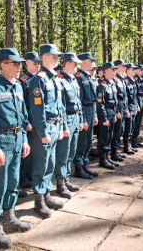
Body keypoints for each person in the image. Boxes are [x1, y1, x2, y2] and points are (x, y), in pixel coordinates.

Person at [0, 48, 31, 248]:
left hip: (17, 138)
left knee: (13, 182)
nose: (19, 66)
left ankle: (9, 217)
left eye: (20, 63)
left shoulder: (18, 86)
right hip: (2, 141)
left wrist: (25, 139)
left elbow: (23, 116)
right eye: (15, 63)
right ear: (3, 65)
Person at [28, 44, 65, 218]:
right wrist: (43, 133)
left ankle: (47, 194)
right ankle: (38, 200)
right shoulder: (39, 79)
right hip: (45, 127)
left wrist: (59, 127)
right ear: (44, 57)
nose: (57, 58)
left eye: (57, 56)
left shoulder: (55, 78)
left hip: (55, 125)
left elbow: (59, 106)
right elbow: (37, 109)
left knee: (51, 162)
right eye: (53, 56)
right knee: (41, 164)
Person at [55, 53, 83, 198]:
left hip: (75, 117)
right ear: (67, 63)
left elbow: (78, 101)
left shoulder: (74, 80)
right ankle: (60, 183)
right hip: (67, 119)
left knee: (71, 151)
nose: (77, 66)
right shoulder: (60, 81)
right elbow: (61, 107)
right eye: (75, 63)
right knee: (63, 153)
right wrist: (64, 126)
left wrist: (80, 119)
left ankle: (66, 179)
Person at [73, 52, 98, 179]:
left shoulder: (87, 76)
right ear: (84, 62)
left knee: (88, 141)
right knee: (82, 141)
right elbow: (80, 100)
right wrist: (82, 120)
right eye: (90, 61)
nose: (92, 63)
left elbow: (93, 98)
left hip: (90, 110)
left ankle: (85, 164)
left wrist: (94, 115)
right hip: (83, 111)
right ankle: (78, 167)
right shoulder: (79, 77)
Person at [18, 51, 41, 189]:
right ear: (27, 64)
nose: (37, 65)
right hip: (29, 120)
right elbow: (23, 104)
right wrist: (27, 122)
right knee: (28, 150)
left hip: (38, 120)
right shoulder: (23, 80)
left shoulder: (39, 78)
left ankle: (31, 172)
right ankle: (23, 175)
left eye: (38, 63)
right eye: (34, 63)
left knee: (36, 150)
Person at [96, 62, 118, 170]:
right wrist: (104, 118)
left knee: (110, 136)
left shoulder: (112, 83)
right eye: (112, 69)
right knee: (103, 137)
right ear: (105, 71)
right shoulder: (102, 85)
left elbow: (115, 100)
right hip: (106, 112)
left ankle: (107, 157)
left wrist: (114, 113)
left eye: (115, 69)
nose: (114, 71)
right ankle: (102, 160)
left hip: (112, 111)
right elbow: (100, 104)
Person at [111, 59, 128, 163]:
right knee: (116, 131)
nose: (124, 68)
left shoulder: (122, 79)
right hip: (118, 106)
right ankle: (113, 152)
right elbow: (114, 97)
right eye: (122, 66)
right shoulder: (115, 79)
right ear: (117, 67)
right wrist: (117, 110)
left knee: (120, 129)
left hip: (123, 105)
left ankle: (116, 150)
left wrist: (125, 109)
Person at [123, 63, 140, 154]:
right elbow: (125, 97)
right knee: (128, 128)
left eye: (134, 70)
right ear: (128, 70)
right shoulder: (125, 81)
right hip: (128, 107)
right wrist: (127, 110)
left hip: (133, 106)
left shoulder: (133, 81)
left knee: (132, 126)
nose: (134, 71)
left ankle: (129, 144)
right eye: (132, 69)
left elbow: (135, 95)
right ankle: (126, 146)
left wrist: (137, 106)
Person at [132, 64, 143, 148]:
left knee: (139, 121)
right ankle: (133, 140)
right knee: (136, 121)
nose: (142, 71)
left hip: (141, 99)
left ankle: (136, 139)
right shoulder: (135, 79)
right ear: (136, 70)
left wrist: (142, 103)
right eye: (141, 70)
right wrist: (137, 104)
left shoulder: (141, 79)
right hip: (137, 100)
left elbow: (142, 92)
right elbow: (135, 93)